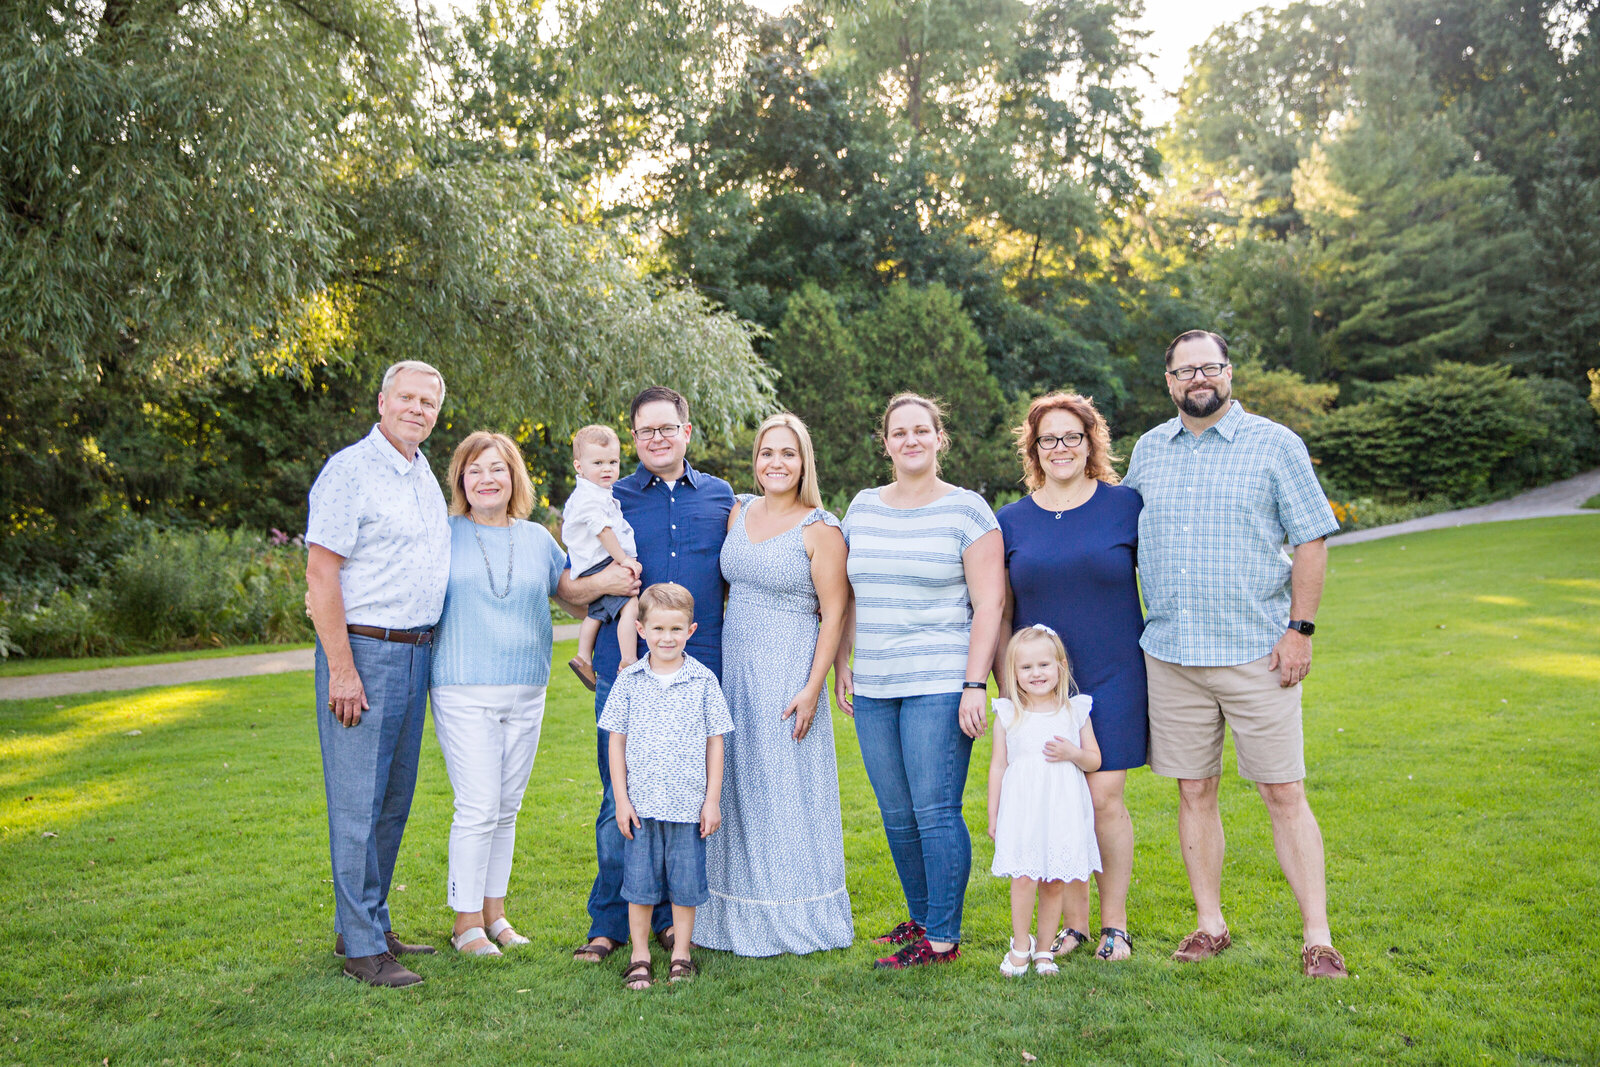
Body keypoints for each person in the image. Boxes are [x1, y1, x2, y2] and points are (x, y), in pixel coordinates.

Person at [1122, 329, 1346, 978]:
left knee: (1283, 790)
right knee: (1194, 788)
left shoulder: (1276, 444)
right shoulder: (1148, 450)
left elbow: (1311, 539)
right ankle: (1210, 923)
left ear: (1229, 372)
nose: (1199, 379)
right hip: (1171, 654)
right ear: (1167, 381)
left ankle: (1317, 937)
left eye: (1209, 367)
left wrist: (1300, 628)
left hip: (1257, 652)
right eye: (1185, 370)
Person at [558, 386, 735, 965]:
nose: (656, 439)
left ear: (687, 430)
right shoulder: (610, 496)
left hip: (698, 670)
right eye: (645, 431)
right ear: (633, 437)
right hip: (625, 671)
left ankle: (665, 922)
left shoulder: (720, 496)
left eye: (667, 428)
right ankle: (608, 922)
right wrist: (601, 587)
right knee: (621, 798)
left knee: (682, 798)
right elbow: (569, 589)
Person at [833, 393, 1005, 969]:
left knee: (935, 810)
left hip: (940, 678)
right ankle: (922, 920)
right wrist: (843, 662)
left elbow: (989, 604)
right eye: (898, 432)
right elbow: (849, 593)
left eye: (921, 431)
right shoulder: (861, 507)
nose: (910, 440)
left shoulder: (968, 509)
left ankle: (943, 939)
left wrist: (974, 684)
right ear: (885, 443)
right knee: (897, 814)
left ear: (939, 439)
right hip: (876, 683)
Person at [305, 360, 450, 988]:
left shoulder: (422, 475)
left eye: (429, 402)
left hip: (416, 652)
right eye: (408, 398)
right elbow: (321, 574)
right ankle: (361, 948)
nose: (418, 409)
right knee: (357, 802)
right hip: (363, 653)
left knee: (392, 801)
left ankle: (367, 920)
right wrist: (342, 669)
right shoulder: (349, 471)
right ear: (383, 400)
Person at [695, 413, 854, 957]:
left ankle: (792, 912)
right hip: (734, 668)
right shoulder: (738, 512)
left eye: (788, 453)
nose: (776, 463)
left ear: (804, 461)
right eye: (767, 453)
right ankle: (728, 912)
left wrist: (815, 686)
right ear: (756, 461)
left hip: (788, 670)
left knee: (784, 791)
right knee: (736, 785)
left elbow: (834, 614)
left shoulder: (821, 528)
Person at [994, 391, 1145, 963]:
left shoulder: (1125, 504)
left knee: (1102, 796)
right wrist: (1006, 683)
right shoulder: (1010, 520)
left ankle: (1115, 925)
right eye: (1048, 439)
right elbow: (1001, 608)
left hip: (1114, 671)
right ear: (1034, 448)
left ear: (1091, 443)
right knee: (1059, 799)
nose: (1060, 448)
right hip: (1040, 683)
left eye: (1071, 437)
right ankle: (1074, 926)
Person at [428, 431, 570, 957]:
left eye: (498, 469)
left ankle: (496, 914)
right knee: (478, 804)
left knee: (507, 807)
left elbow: (571, 594)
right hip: (463, 686)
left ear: (515, 477)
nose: (487, 479)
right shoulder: (442, 534)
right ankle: (465, 923)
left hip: (528, 687)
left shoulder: (536, 538)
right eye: (475, 470)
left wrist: (615, 581)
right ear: (461, 480)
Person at [600, 583, 734, 989]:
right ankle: (639, 955)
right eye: (657, 629)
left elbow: (716, 742)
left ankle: (681, 954)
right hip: (640, 807)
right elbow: (616, 742)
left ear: (691, 630)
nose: (666, 638)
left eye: (676, 629)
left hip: (687, 806)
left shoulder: (703, 681)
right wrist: (621, 801)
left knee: (686, 883)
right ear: (641, 629)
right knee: (639, 885)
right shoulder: (630, 681)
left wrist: (711, 801)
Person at [987, 626, 1101, 977]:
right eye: (1026, 668)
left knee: (1054, 881)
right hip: (1023, 811)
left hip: (1061, 810)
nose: (1036, 673)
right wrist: (994, 816)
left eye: (1043, 665)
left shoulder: (1074, 711)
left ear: (1060, 667)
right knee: (1023, 877)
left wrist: (1072, 753)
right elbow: (998, 766)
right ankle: (1021, 945)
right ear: (1014, 673)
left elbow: (1094, 760)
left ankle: (1045, 951)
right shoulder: (1009, 714)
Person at [563, 425, 643, 691]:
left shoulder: (597, 492)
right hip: (598, 562)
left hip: (589, 564)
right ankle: (629, 659)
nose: (607, 468)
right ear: (579, 466)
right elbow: (603, 531)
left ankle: (583, 657)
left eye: (613, 462)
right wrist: (624, 560)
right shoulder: (589, 497)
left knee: (596, 614)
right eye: (597, 462)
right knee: (630, 606)